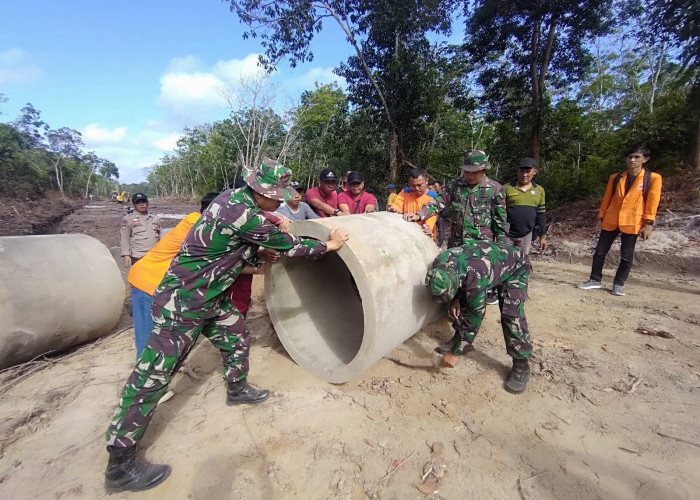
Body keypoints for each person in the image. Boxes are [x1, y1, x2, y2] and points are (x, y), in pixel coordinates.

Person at [104, 158, 350, 492]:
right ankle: (120, 462)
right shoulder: (244, 214)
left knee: (236, 336)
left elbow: (249, 235)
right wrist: (330, 244)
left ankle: (237, 389)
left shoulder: (231, 199)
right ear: (258, 192)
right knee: (153, 376)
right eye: (275, 197)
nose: (280, 201)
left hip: (211, 296)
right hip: (184, 302)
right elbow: (289, 247)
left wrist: (273, 220)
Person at [427, 240, 533, 393]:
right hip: (487, 265)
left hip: (516, 266)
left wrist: (455, 354)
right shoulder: (441, 260)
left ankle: (521, 364)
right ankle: (459, 339)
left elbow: (475, 316)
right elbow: (459, 281)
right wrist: (455, 299)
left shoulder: (474, 277)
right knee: (463, 302)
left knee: (511, 315)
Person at [579, 144, 662, 296]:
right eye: (630, 157)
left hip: (633, 221)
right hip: (612, 219)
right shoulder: (616, 178)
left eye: (636, 157)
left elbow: (652, 202)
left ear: (645, 159)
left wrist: (649, 223)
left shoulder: (653, 179)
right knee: (599, 252)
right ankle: (594, 279)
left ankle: (618, 283)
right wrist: (600, 217)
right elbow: (607, 199)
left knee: (626, 255)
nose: (632, 160)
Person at [439, 151, 509, 304]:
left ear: (484, 170)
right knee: (456, 281)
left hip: (480, 248)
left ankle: (472, 314)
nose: (470, 176)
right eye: (467, 171)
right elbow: (438, 202)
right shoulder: (454, 186)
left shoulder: (495, 189)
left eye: (475, 172)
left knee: (476, 286)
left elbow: (500, 222)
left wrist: (501, 249)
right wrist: (420, 214)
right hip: (457, 245)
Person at [504, 158, 547, 254]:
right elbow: (498, 212)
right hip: (506, 235)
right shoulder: (506, 188)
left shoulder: (539, 190)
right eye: (522, 171)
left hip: (526, 235)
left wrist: (542, 236)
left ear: (535, 171)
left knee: (522, 264)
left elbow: (541, 214)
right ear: (517, 171)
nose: (524, 175)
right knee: (504, 263)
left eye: (528, 172)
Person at [387, 168, 438, 240]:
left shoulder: (432, 197)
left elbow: (432, 214)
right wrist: (394, 209)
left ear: (426, 181)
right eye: (413, 185)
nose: (416, 188)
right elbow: (397, 204)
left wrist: (428, 226)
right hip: (406, 237)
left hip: (425, 237)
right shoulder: (404, 193)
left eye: (419, 185)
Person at [120, 193, 161, 268]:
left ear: (147, 203)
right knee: (140, 279)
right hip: (138, 257)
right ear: (134, 204)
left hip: (155, 256)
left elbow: (160, 235)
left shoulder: (155, 218)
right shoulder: (128, 219)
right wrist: (126, 255)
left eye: (143, 201)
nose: (141, 204)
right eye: (138, 202)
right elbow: (125, 238)